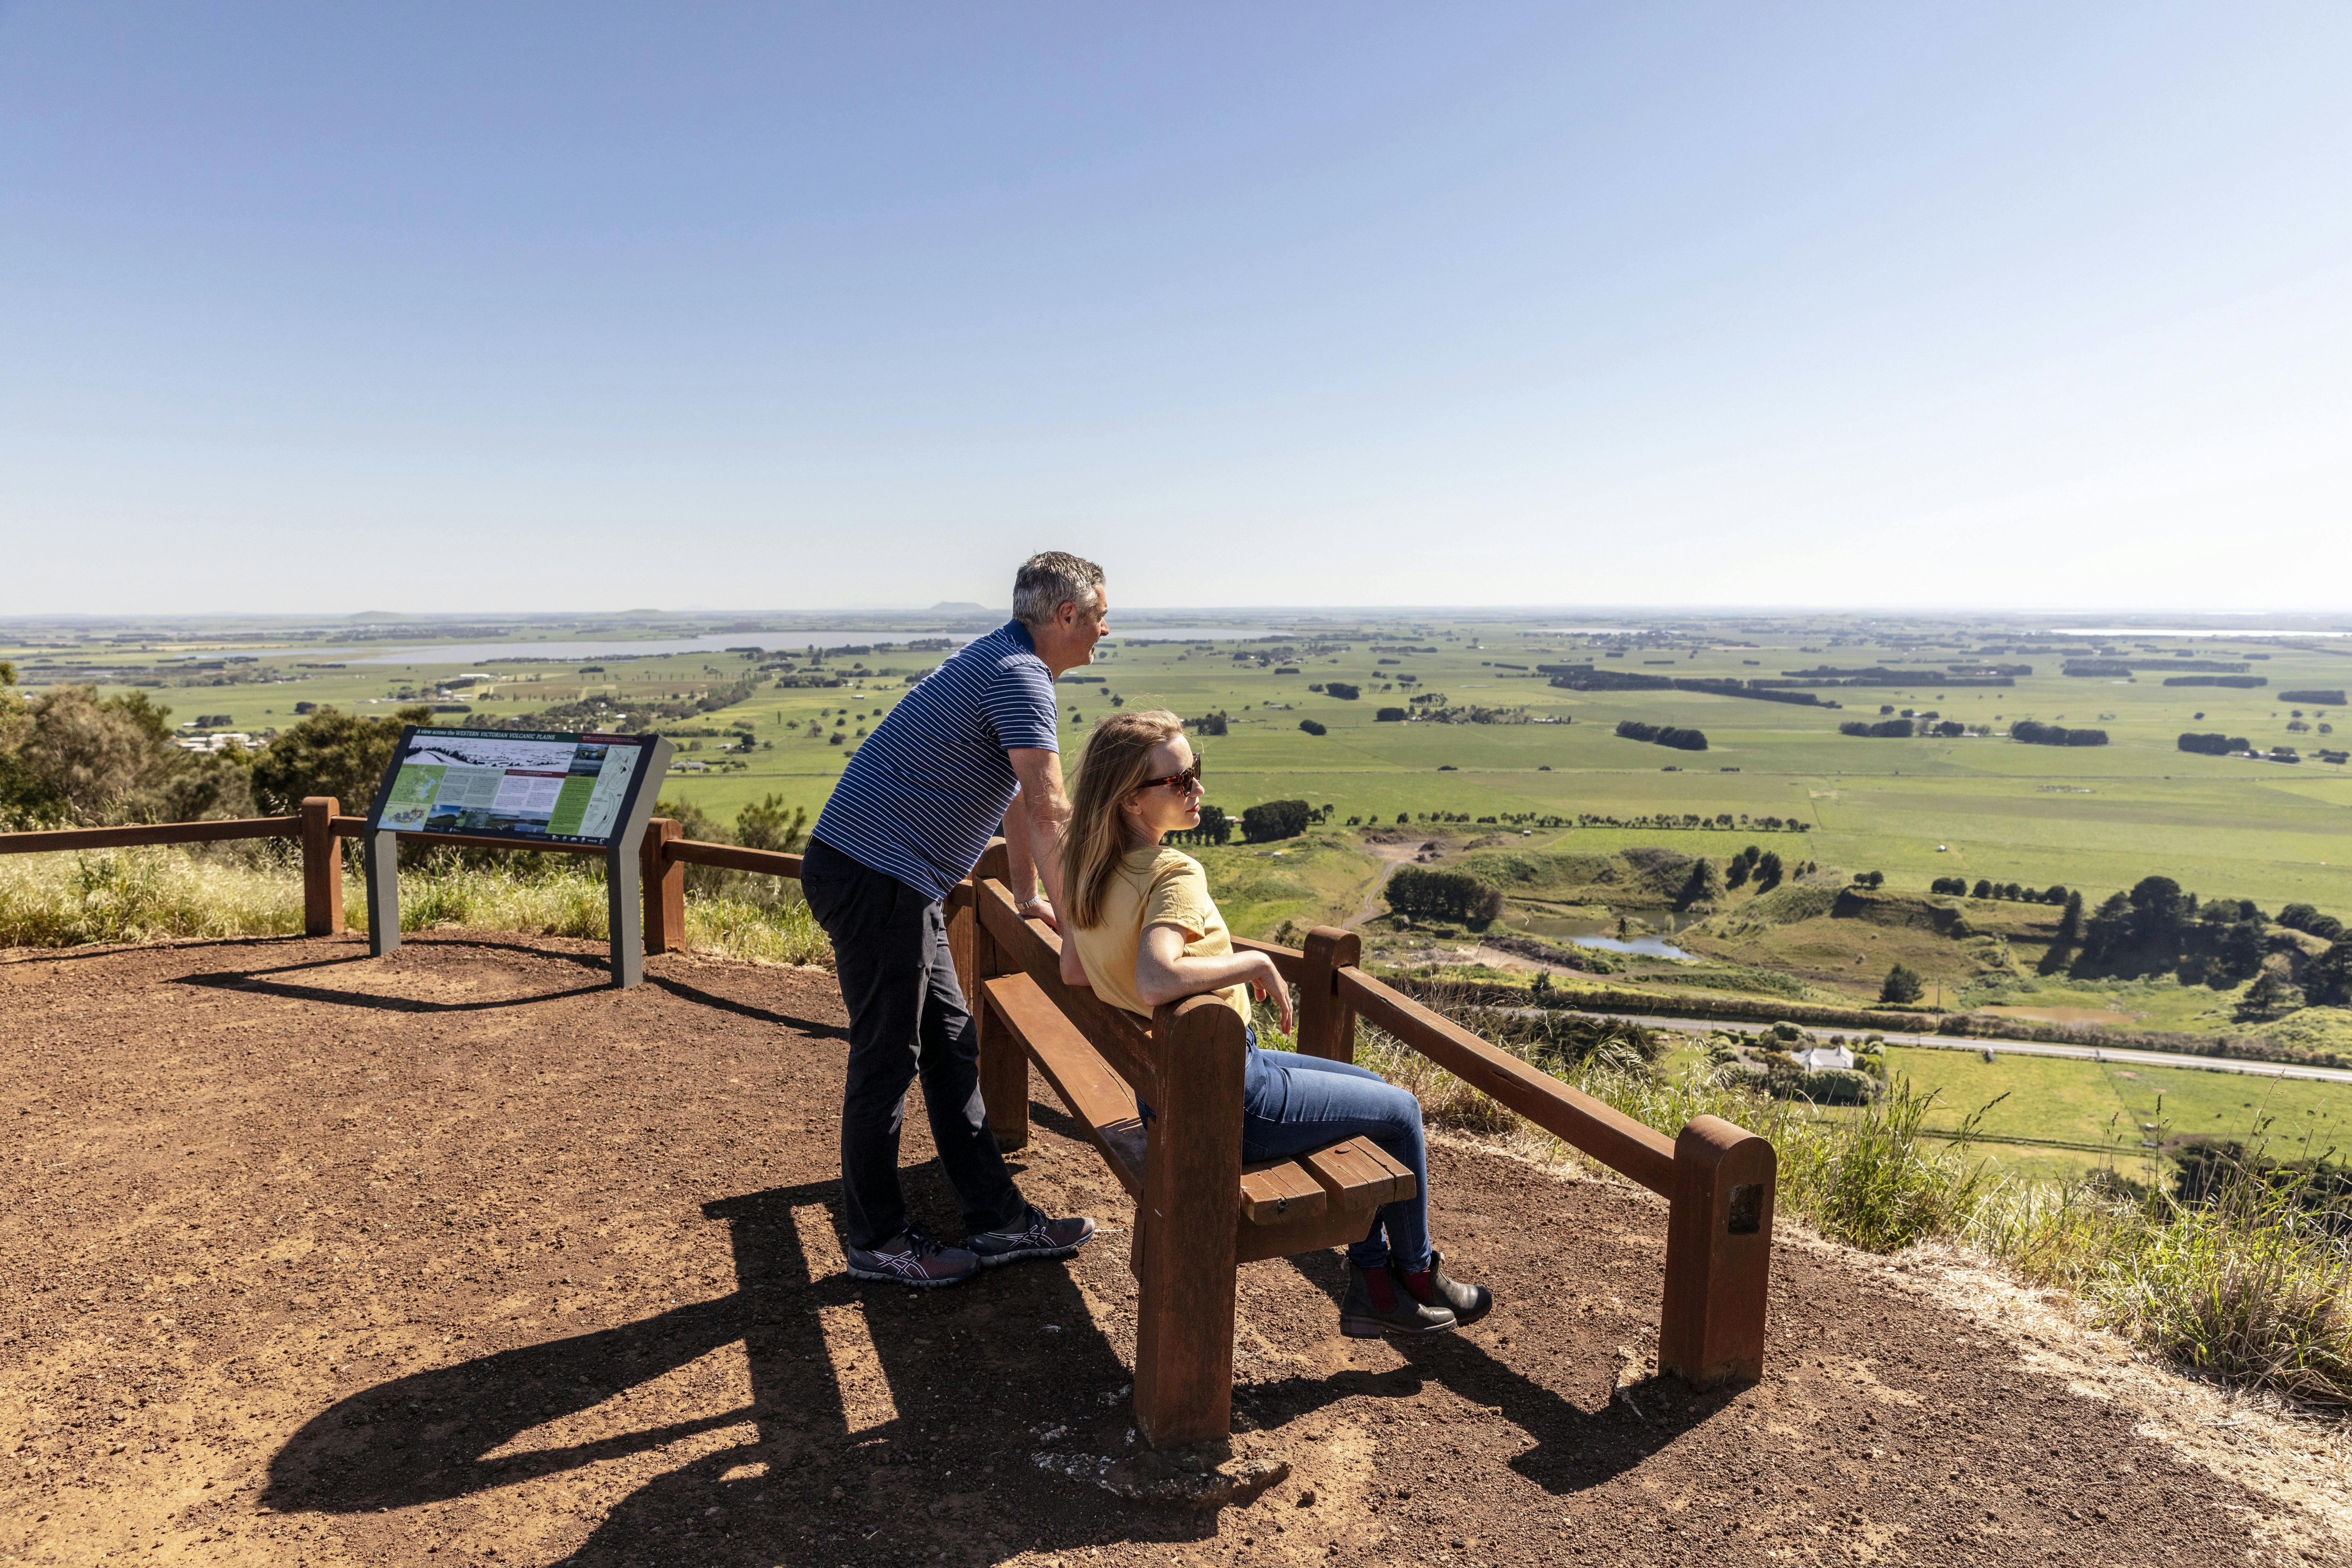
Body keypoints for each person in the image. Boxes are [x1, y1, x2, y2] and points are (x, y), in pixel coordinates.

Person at [1060, 709, 1493, 1337]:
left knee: (1367, 1086)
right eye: (1180, 781)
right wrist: (1252, 961)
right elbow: (1157, 978)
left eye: (1195, 772)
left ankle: (1378, 1280)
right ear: (1130, 798)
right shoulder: (1172, 872)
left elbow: (1075, 971)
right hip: (1231, 1099)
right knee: (1399, 1112)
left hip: (1172, 1090)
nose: (1198, 790)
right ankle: (1413, 1277)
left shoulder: (1086, 867)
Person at [800, 552, 1106, 1287]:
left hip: (892, 877)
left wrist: (1031, 897)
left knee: (949, 1046)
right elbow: (1048, 807)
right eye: (1098, 617)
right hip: (880, 878)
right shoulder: (1021, 675)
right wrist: (1079, 936)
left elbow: (1012, 795)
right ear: (1065, 616)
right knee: (887, 1059)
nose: (1103, 632)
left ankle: (997, 1220)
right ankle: (877, 1242)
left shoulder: (998, 659)